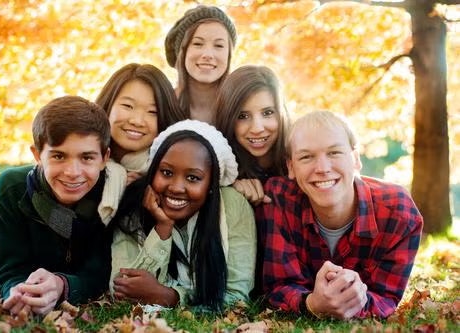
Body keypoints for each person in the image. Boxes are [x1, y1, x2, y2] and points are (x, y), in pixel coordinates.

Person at [256, 111, 423, 319]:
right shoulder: (279, 198)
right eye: (306, 157)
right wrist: (311, 304)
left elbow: (386, 297)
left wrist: (354, 300)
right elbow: (278, 284)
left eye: (334, 153)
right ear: (291, 166)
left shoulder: (399, 212)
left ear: (355, 159)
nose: (323, 168)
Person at [110, 119, 256, 311]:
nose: (177, 187)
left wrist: (170, 297)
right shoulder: (133, 207)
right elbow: (123, 290)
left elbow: (236, 298)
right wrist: (162, 230)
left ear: (211, 184)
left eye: (193, 178)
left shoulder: (233, 206)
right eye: (166, 172)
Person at [0, 96, 113, 316]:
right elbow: (9, 268)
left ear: (104, 158)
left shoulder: (111, 197)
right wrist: (17, 292)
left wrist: (62, 286)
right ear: (37, 155)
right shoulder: (10, 190)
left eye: (87, 158)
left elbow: (101, 272)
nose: (73, 172)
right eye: (58, 156)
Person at [95, 63, 189, 224]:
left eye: (153, 112)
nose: (137, 121)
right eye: (128, 106)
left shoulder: (172, 180)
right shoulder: (78, 165)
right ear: (108, 104)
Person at [215, 65, 290, 206]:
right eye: (243, 116)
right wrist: (230, 190)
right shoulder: (218, 169)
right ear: (228, 119)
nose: (257, 128)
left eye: (267, 113)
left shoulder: (300, 158)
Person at [164, 4, 237, 124]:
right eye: (198, 44)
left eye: (218, 45)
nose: (208, 54)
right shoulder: (162, 106)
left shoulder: (243, 107)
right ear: (182, 52)